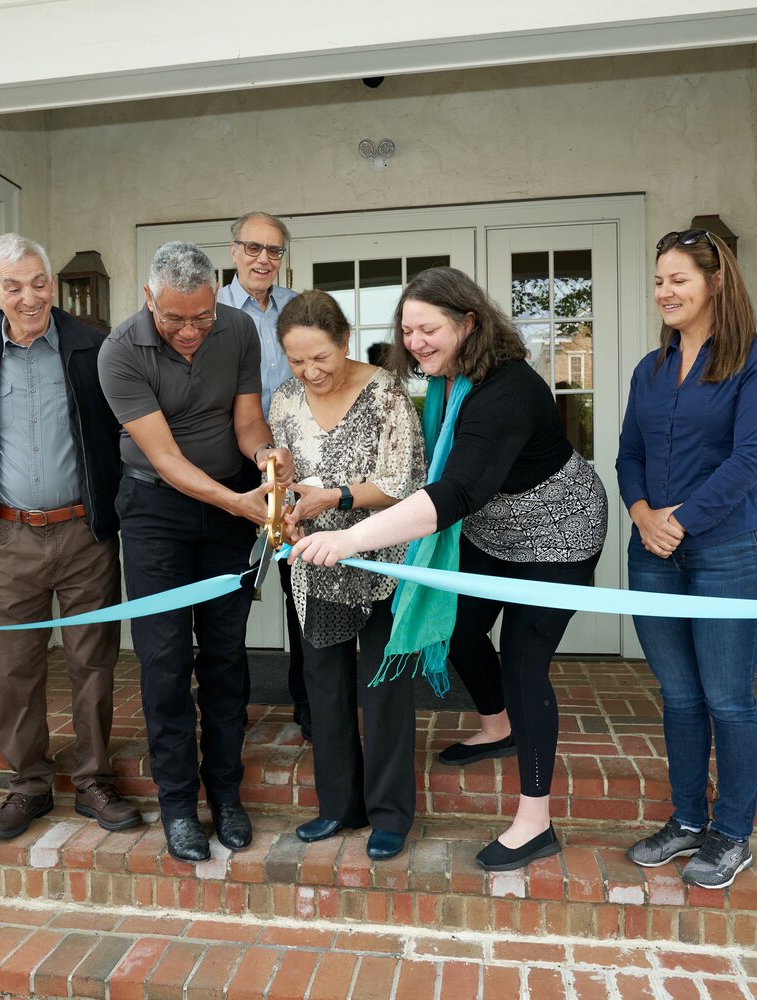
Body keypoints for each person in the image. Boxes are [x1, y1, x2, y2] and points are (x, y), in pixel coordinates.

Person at [291, 267, 607, 872]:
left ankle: (535, 820)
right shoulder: (449, 383)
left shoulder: (506, 390)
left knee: (522, 662)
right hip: (495, 528)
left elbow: (455, 491)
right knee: (457, 627)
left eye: (428, 329)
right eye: (407, 330)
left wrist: (351, 538)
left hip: (558, 532)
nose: (415, 342)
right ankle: (497, 726)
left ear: (469, 323)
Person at [101, 241, 295, 863]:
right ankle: (179, 804)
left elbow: (245, 425)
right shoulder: (120, 352)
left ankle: (227, 795)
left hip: (229, 504)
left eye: (201, 317)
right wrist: (234, 504)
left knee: (223, 654)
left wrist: (265, 456)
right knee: (162, 660)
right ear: (148, 300)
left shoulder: (237, 327)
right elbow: (164, 458)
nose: (190, 331)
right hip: (156, 510)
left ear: (218, 300)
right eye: (174, 318)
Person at [617, 229, 757, 890]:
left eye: (678, 279)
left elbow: (750, 460)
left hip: (730, 552)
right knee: (681, 696)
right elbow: (627, 453)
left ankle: (732, 834)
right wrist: (642, 516)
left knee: (727, 698)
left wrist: (679, 523)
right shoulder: (649, 368)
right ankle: (688, 819)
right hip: (653, 554)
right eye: (659, 280)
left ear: (715, 282)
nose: (664, 291)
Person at [0, 233, 137, 842]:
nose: (30, 296)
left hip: (85, 532)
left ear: (52, 282)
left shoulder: (93, 347)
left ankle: (92, 780)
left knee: (92, 661)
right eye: (13, 285)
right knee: (14, 669)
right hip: (9, 539)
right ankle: (28, 785)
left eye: (39, 282)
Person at [269, 291, 426, 861]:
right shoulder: (285, 399)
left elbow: (402, 486)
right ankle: (338, 805)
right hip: (314, 566)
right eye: (297, 361)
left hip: (383, 563)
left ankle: (389, 814)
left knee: (383, 692)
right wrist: (285, 496)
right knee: (325, 688)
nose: (310, 373)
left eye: (321, 359)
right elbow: (284, 470)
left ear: (344, 342)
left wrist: (331, 497)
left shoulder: (387, 393)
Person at [217, 211, 310, 740]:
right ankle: (231, 706)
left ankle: (308, 701)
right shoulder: (209, 311)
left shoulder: (298, 309)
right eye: (252, 247)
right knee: (231, 597)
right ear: (233, 251)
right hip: (237, 472)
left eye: (273, 250)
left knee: (302, 587)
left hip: (299, 471)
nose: (262, 259)